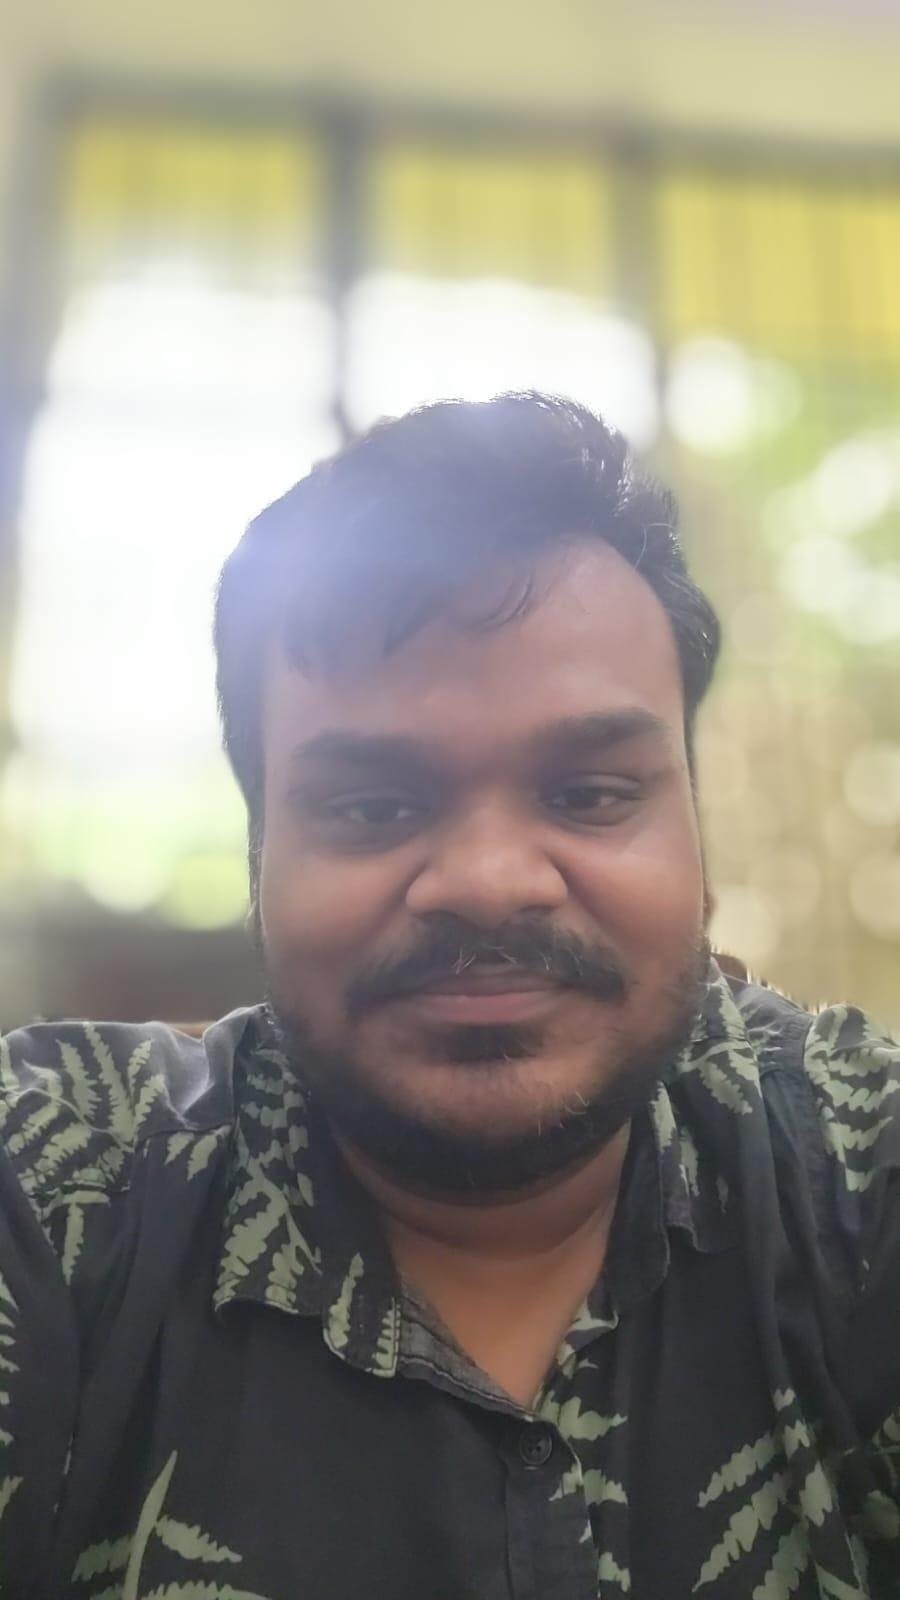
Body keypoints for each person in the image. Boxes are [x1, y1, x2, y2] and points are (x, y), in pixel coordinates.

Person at [1, 393, 897, 1600]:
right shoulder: (59, 1194)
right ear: (261, 859)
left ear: (696, 834)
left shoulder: (855, 1184)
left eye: (589, 794)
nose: (488, 882)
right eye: (374, 805)